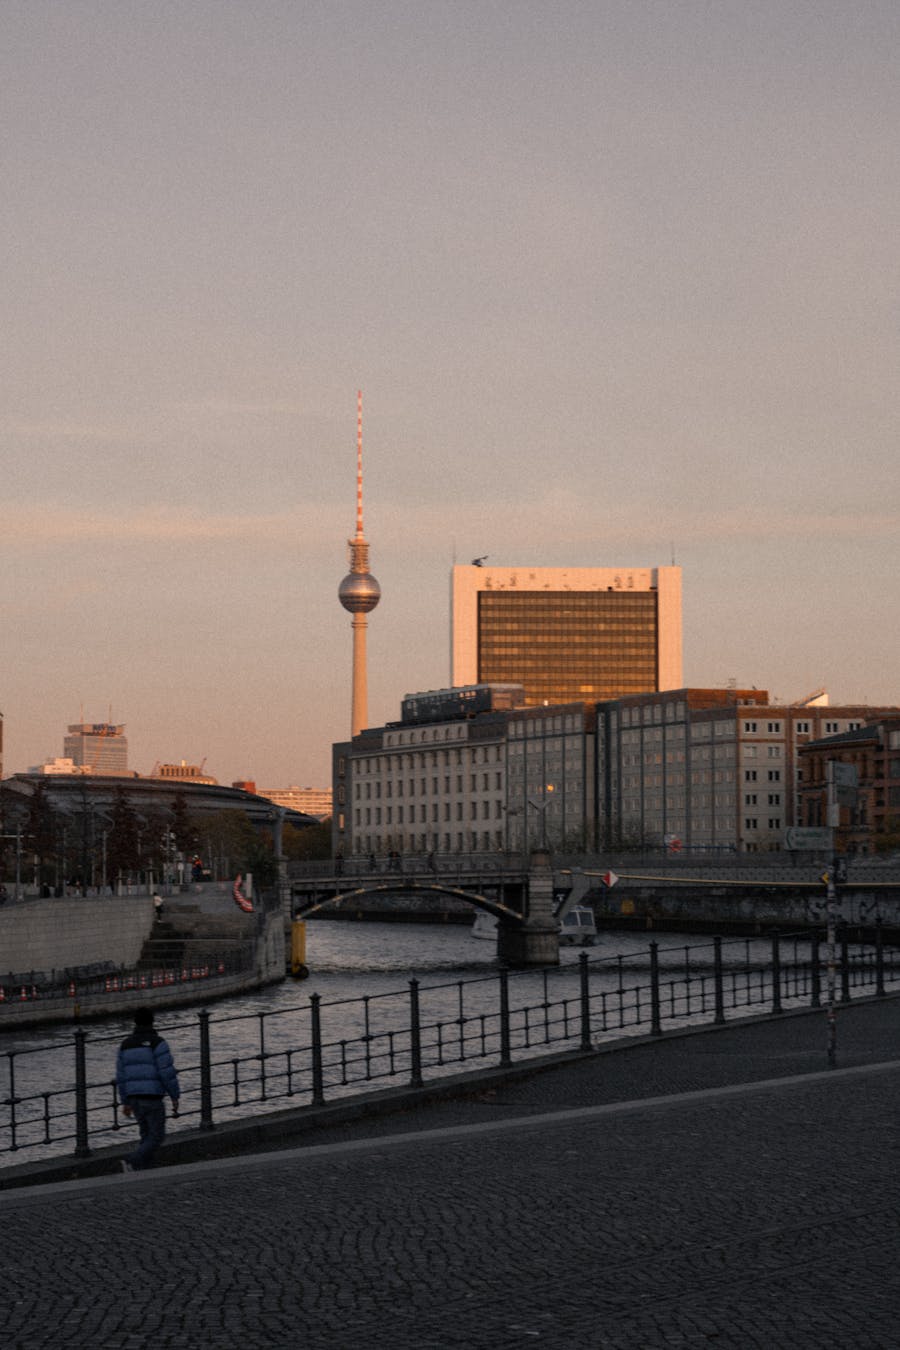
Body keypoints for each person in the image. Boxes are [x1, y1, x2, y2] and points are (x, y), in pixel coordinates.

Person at [116, 1008, 180, 1172]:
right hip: (152, 1095)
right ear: (152, 1021)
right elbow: (166, 1072)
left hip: (134, 1097)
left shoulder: (125, 1045)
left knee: (145, 1134)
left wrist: (125, 1101)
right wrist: (174, 1095)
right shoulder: (158, 1043)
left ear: (135, 1022)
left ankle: (144, 1169)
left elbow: (121, 1076)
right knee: (157, 1136)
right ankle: (132, 1161)